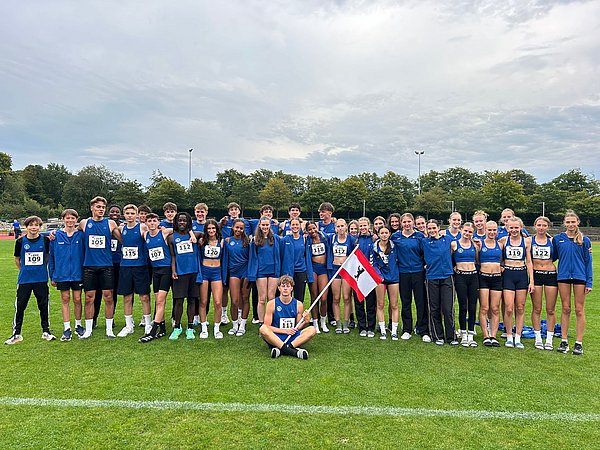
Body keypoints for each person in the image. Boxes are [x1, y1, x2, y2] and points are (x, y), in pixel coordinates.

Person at [5, 216, 56, 345]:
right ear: (26, 227)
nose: (34, 227)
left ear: (40, 227)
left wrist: (40, 268)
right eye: (31, 225)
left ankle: (46, 331)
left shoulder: (45, 241)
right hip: (25, 280)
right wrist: (24, 270)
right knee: (20, 306)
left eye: (36, 225)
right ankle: (16, 334)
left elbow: (47, 256)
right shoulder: (20, 241)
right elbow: (17, 259)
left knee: (43, 305)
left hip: (41, 279)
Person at [79, 197, 122, 339]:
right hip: (89, 267)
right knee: (89, 298)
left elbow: (124, 239)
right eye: (98, 207)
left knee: (108, 297)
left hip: (106, 266)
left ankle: (109, 329)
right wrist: (53, 234)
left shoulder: (110, 223)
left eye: (103, 207)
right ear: (91, 208)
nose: (101, 209)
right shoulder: (84, 223)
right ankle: (88, 330)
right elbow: (71, 232)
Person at [552, 211, 593, 355]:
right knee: (565, 308)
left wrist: (589, 282)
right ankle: (564, 341)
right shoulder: (558, 239)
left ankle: (578, 343)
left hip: (579, 277)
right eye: (568, 222)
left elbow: (588, 262)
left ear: (578, 222)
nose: (570, 224)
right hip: (563, 276)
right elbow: (553, 257)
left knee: (579, 309)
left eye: (573, 222)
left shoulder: (584, 240)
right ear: (564, 223)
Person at [116, 204, 152, 338]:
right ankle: (128, 325)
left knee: (144, 296)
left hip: (140, 266)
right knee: (127, 297)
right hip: (125, 266)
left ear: (136, 215)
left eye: (132, 213)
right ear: (124, 215)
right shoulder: (121, 228)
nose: (130, 216)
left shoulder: (142, 227)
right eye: (127, 213)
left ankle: (148, 323)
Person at [48, 209, 85, 341]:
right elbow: (51, 257)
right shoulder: (56, 236)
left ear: (76, 219)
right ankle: (67, 328)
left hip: (77, 274)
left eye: (72, 218)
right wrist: (52, 275)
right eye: (67, 218)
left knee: (77, 299)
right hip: (61, 274)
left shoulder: (81, 235)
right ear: (63, 219)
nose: (70, 220)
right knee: (65, 298)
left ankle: (78, 325)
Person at [392, 213, 429, 342]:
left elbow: (425, 253)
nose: (407, 224)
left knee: (421, 302)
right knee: (406, 302)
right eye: (404, 222)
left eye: (409, 221)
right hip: (403, 273)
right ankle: (407, 329)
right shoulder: (395, 236)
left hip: (418, 272)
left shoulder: (420, 236)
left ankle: (423, 330)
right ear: (401, 223)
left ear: (413, 222)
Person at [259, 275, 315, 359]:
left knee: (312, 329)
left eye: (288, 286)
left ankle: (283, 349)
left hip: (292, 336)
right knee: (263, 328)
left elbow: (298, 327)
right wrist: (285, 331)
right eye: (283, 286)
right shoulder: (271, 304)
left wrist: (306, 321)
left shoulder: (298, 304)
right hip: (277, 336)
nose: (285, 288)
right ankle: (293, 352)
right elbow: (267, 326)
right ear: (279, 288)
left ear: (291, 288)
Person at [420, 220, 457, 346]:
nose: (431, 230)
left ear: (438, 228)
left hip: (447, 277)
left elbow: (459, 245)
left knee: (448, 308)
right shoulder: (424, 242)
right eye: (429, 228)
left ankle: (451, 337)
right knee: (434, 308)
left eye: (433, 228)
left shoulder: (447, 239)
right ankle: (437, 336)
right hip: (431, 278)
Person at [499, 217, 534, 349]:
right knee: (508, 308)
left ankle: (518, 336)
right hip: (508, 274)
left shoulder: (526, 241)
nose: (514, 230)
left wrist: (531, 281)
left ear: (521, 228)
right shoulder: (503, 240)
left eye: (516, 227)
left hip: (521, 274)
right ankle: (509, 336)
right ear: (507, 228)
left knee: (520, 307)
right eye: (511, 228)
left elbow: (529, 261)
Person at [138, 213, 173, 342]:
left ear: (158, 222)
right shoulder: (145, 235)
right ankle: (162, 329)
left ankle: (152, 332)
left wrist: (191, 235)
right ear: (146, 223)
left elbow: (179, 228)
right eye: (149, 221)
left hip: (166, 270)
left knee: (160, 301)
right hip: (155, 271)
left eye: (154, 221)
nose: (152, 223)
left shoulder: (164, 233)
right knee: (158, 300)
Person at [168, 212, 202, 340]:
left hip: (193, 272)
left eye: (184, 221)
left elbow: (208, 234)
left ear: (188, 223)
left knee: (192, 300)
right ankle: (177, 327)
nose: (182, 223)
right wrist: (173, 270)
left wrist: (192, 234)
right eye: (179, 220)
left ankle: (190, 327)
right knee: (179, 301)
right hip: (180, 273)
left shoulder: (196, 235)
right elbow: (173, 256)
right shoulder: (172, 238)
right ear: (176, 222)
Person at [530, 216, 558, 350]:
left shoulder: (553, 241)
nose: (541, 228)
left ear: (548, 227)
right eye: (539, 225)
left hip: (550, 275)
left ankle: (549, 339)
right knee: (537, 308)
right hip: (536, 275)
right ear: (535, 226)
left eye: (544, 225)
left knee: (550, 309)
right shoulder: (529, 240)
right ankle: (538, 338)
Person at [248, 216, 283, 322]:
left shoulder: (276, 238)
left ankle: (271, 321)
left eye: (267, 225)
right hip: (261, 272)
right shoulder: (255, 240)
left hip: (274, 271)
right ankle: (261, 322)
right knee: (262, 299)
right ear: (259, 225)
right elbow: (252, 257)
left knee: (271, 298)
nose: (265, 227)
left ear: (270, 225)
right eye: (263, 225)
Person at [93, 204, 122, 329]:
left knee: (111, 292)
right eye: (112, 212)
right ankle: (93, 318)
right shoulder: (103, 225)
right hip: (101, 262)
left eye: (117, 212)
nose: (115, 214)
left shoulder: (122, 227)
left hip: (116, 263)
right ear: (108, 213)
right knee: (97, 292)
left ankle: (111, 317)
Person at [371, 225, 400, 340]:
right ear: (378, 234)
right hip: (380, 279)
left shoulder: (394, 246)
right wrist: (379, 275)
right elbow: (372, 263)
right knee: (380, 304)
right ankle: (383, 330)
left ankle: (394, 331)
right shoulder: (374, 247)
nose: (384, 235)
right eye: (382, 233)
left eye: (386, 233)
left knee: (394, 304)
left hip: (393, 278)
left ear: (389, 234)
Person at [327, 219, 356, 334]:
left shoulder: (351, 239)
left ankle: (346, 323)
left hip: (346, 270)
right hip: (335, 270)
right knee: (336, 298)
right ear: (335, 228)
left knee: (347, 297)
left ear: (346, 226)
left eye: (342, 226)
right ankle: (338, 323)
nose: (340, 228)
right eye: (338, 226)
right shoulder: (332, 238)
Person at [222, 218, 251, 336]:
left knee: (245, 298)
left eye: (241, 228)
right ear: (233, 227)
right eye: (237, 227)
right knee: (234, 301)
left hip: (245, 273)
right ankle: (234, 325)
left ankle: (242, 325)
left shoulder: (247, 241)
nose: (239, 230)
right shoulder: (228, 241)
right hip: (233, 273)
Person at [453, 222, 479, 347]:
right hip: (460, 277)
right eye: (465, 231)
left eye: (470, 232)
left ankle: (471, 335)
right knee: (463, 306)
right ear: (461, 230)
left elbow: (478, 261)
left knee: (472, 306)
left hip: (473, 276)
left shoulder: (475, 245)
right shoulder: (454, 244)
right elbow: (449, 259)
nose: (467, 233)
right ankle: (463, 333)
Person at [478, 221, 504, 347]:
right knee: (484, 307)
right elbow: (475, 259)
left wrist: (502, 266)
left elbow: (503, 260)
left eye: (494, 230)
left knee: (495, 308)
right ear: (485, 230)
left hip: (497, 278)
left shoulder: (500, 244)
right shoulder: (479, 244)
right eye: (490, 230)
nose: (492, 232)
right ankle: (485, 335)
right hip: (483, 278)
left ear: (497, 231)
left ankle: (493, 335)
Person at [198, 219, 225, 339]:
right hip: (204, 272)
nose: (211, 230)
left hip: (216, 273)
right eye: (208, 228)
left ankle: (217, 329)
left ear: (216, 229)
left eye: (213, 228)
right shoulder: (202, 241)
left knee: (218, 302)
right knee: (203, 301)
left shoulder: (222, 241)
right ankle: (204, 328)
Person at [305, 221, 330, 333]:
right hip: (313, 268)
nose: (312, 231)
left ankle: (323, 322)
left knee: (323, 298)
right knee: (314, 297)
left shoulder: (324, 237)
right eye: (310, 229)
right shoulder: (307, 240)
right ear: (307, 231)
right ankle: (315, 323)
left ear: (317, 227)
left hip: (323, 269)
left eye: (314, 228)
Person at [355, 217, 377, 338]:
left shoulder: (374, 239)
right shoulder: (355, 240)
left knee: (370, 302)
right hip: (358, 274)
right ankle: (362, 326)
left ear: (369, 226)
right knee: (359, 302)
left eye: (365, 225)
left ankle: (371, 327)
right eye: (361, 226)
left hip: (370, 275)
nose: (363, 228)